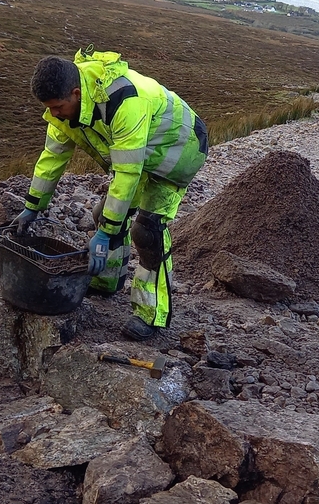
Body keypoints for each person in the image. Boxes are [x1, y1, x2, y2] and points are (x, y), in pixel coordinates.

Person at [14, 47, 208, 340]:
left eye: (57, 107)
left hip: (179, 151)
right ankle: (108, 280)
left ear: (76, 93)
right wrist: (33, 205)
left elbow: (128, 173)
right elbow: (52, 158)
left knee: (147, 231)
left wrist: (104, 233)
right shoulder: (65, 113)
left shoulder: (124, 102)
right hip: (141, 154)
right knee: (102, 214)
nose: (53, 114)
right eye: (49, 108)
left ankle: (151, 314)